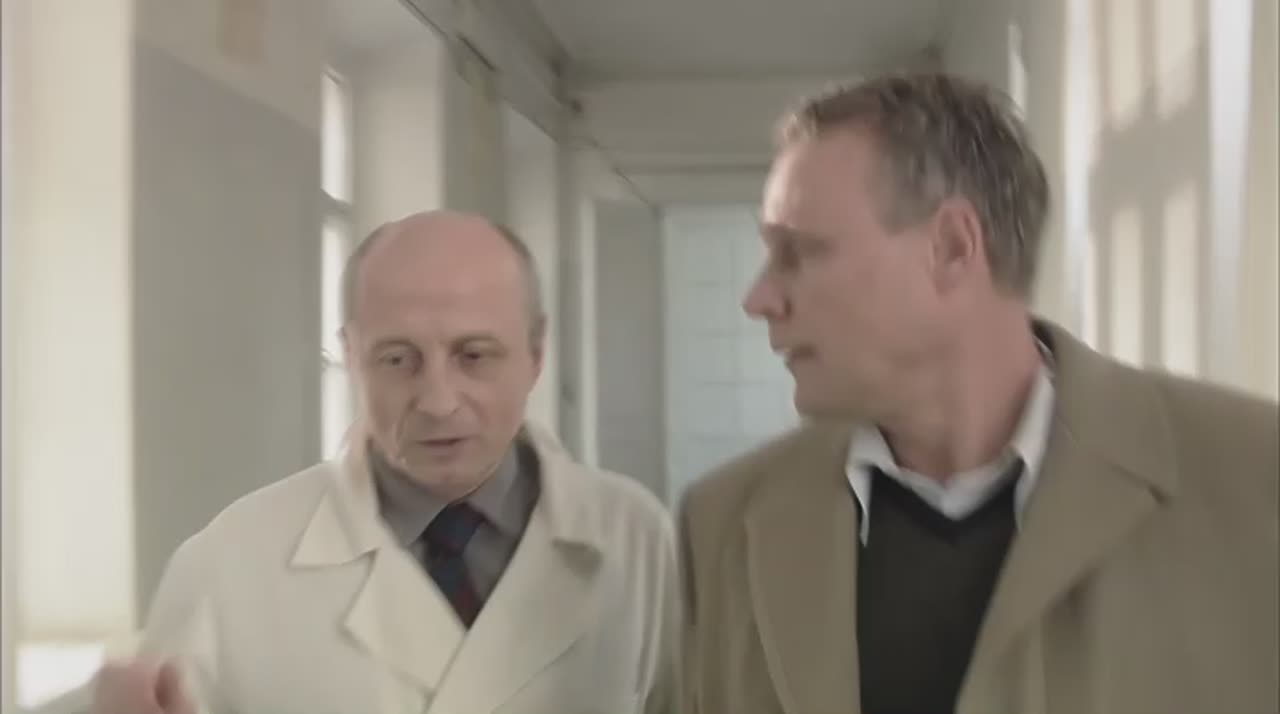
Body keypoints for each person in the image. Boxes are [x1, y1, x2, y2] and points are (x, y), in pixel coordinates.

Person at [677, 72, 1279, 714]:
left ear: (952, 248)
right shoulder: (723, 526)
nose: (759, 299)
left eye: (799, 252)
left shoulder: (1256, 477)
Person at [92, 211, 680, 714]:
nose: (439, 402)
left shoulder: (633, 536)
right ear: (351, 355)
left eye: (474, 356)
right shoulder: (229, 565)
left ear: (536, 352)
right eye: (398, 360)